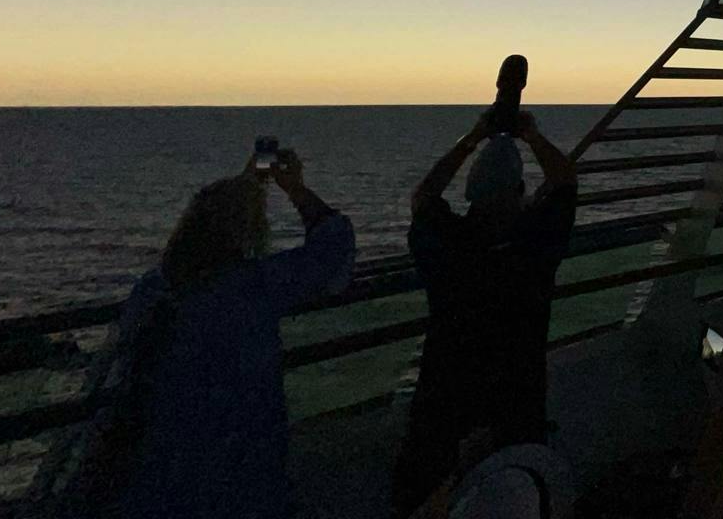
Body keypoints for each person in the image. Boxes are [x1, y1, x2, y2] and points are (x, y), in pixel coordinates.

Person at [42, 150, 354, 519]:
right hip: (237, 477)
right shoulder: (251, 288)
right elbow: (334, 250)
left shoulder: (154, 290)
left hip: (154, 478)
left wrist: (244, 188)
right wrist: (294, 188)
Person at [392, 111, 581, 517]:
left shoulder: (446, 244)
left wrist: (472, 137)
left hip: (442, 407)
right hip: (516, 408)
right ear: (520, 190)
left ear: (471, 193)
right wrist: (531, 135)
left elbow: (423, 197)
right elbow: (565, 181)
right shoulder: (535, 247)